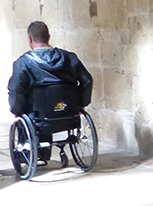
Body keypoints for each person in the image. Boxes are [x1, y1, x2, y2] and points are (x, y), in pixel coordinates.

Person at [7, 21, 93, 161]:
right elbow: (87, 80)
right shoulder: (69, 58)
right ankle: (45, 152)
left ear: (30, 38)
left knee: (27, 109)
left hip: (38, 118)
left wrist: (16, 111)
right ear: (49, 36)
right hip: (69, 114)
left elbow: (16, 90)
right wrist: (82, 103)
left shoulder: (23, 63)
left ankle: (31, 155)